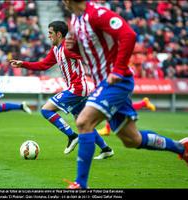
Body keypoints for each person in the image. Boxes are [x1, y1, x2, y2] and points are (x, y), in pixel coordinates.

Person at [62, 0, 188, 189]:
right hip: (102, 84)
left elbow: (128, 34)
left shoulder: (97, 13)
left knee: (83, 122)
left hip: (115, 82)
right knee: (132, 140)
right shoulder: (77, 19)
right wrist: (74, 48)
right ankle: (181, 148)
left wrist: (119, 69)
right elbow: (93, 51)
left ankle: (81, 184)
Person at [10, 21, 114, 159]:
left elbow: (88, 56)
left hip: (77, 88)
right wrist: (23, 64)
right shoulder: (56, 49)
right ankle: (106, 149)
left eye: (50, 33)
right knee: (83, 122)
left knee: (46, 109)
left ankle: (72, 136)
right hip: (79, 88)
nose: (48, 36)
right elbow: (43, 65)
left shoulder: (68, 48)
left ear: (59, 34)